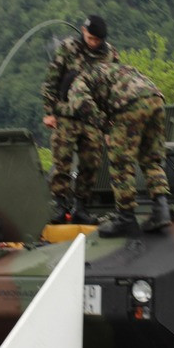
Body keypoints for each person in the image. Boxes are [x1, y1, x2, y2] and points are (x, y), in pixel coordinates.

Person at [64, 63, 171, 238]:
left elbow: (82, 104)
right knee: (151, 159)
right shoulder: (105, 71)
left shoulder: (76, 83)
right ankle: (161, 210)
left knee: (121, 163)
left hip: (129, 103)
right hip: (156, 98)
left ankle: (126, 220)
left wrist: (106, 126)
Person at [41, 15, 119, 224]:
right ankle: (59, 204)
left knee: (91, 163)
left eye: (97, 40)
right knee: (62, 161)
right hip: (66, 114)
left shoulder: (110, 55)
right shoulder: (69, 49)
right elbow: (51, 81)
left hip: (92, 117)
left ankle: (81, 206)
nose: (93, 43)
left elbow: (114, 88)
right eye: (90, 38)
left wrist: (110, 122)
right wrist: (49, 112)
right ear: (84, 32)